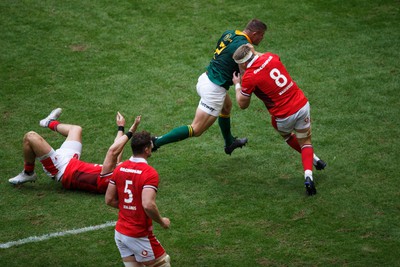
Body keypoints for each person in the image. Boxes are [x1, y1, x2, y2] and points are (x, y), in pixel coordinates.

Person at [152, 19, 267, 155]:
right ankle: (155, 142)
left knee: (226, 106)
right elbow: (254, 60)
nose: (262, 38)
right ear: (255, 33)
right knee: (196, 129)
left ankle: (229, 142)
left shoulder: (230, 33)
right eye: (262, 35)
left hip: (205, 78)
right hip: (214, 89)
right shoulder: (244, 47)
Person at [232, 44, 326, 195]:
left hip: (284, 116)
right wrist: (254, 53)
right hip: (302, 105)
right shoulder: (271, 56)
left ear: (242, 63)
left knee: (288, 136)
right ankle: (309, 173)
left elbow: (243, 104)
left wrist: (237, 85)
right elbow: (262, 60)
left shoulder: (249, 77)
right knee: (306, 142)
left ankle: (314, 159)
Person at [9, 108, 141, 194]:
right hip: (71, 161)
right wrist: (120, 127)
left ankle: (28, 172)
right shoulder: (116, 173)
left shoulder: (108, 178)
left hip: (62, 168)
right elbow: (117, 151)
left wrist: (131, 131)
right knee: (76, 129)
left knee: (30, 137)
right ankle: (49, 122)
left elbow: (112, 151)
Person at [105, 131, 171, 267]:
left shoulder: (119, 168)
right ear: (146, 149)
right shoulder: (149, 173)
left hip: (120, 234)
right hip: (138, 234)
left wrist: (129, 206)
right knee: (164, 263)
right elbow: (148, 205)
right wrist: (162, 221)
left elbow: (109, 200)